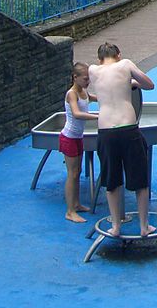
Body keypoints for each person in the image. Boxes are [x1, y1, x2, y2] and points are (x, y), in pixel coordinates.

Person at [88, 43, 155, 237]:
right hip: (128, 128)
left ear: (100, 58)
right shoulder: (125, 64)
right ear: (118, 54)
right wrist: (133, 83)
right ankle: (144, 226)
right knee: (140, 180)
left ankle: (116, 226)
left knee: (112, 180)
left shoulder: (93, 70)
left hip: (106, 130)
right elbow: (149, 84)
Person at [60, 62, 99, 223]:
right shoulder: (72, 94)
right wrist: (98, 117)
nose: (87, 82)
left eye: (89, 79)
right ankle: (69, 211)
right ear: (75, 78)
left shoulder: (83, 90)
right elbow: (76, 113)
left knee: (78, 171)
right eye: (85, 79)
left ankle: (76, 204)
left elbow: (94, 98)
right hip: (69, 137)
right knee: (72, 173)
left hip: (78, 137)